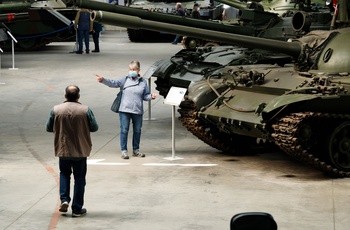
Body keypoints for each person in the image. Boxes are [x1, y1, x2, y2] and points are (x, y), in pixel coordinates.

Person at [46, 85, 98, 217]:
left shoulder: (56, 110)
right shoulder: (85, 110)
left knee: (64, 174)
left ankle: (64, 200)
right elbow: (94, 127)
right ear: (78, 96)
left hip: (63, 149)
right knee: (80, 179)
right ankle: (77, 208)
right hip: (80, 150)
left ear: (65, 96)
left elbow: (49, 127)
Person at [96, 60, 157, 159]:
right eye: (130, 69)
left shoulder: (142, 82)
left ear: (138, 70)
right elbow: (113, 83)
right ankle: (124, 151)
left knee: (137, 130)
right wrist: (103, 80)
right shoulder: (124, 80)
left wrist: (151, 96)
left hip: (137, 110)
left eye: (134, 69)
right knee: (124, 130)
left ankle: (136, 150)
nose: (131, 71)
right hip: (124, 110)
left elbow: (145, 96)